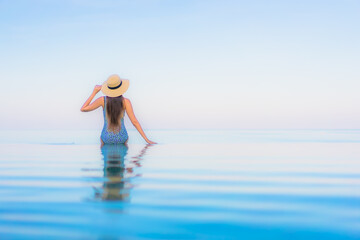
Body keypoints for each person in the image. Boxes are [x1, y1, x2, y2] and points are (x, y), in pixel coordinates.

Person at [81, 74, 156, 146]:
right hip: (122, 137)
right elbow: (134, 122)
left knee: (104, 150)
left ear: (108, 88)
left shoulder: (102, 100)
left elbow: (83, 109)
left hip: (106, 138)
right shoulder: (126, 101)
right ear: (121, 87)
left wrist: (94, 92)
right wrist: (147, 140)